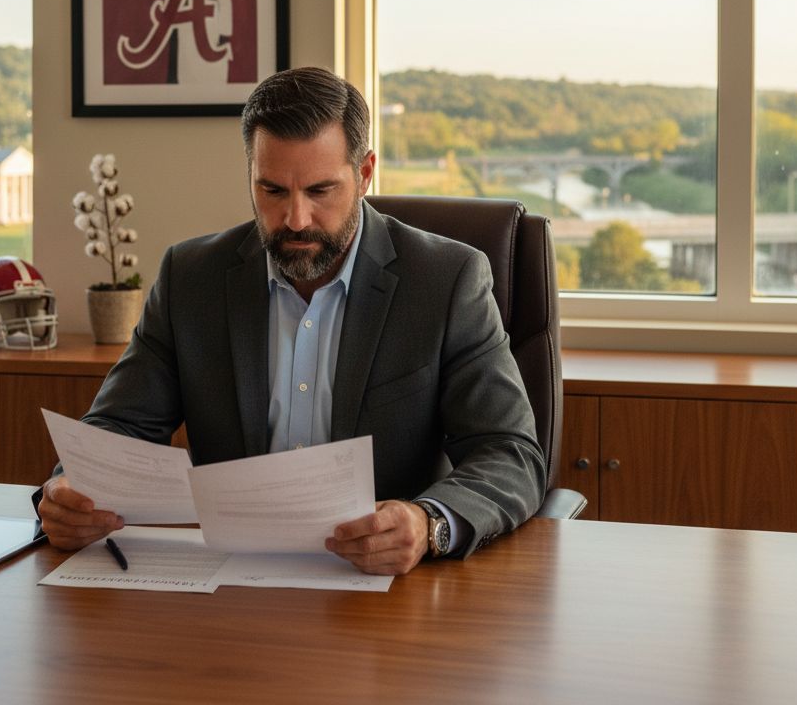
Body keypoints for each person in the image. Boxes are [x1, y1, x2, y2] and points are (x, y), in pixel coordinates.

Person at [38, 67, 546, 574]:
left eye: (321, 191)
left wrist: (428, 522)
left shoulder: (446, 280)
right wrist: (70, 491)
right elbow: (119, 425)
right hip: (230, 578)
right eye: (274, 191)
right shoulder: (191, 279)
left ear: (365, 173)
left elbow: (510, 453)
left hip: (384, 588)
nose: (296, 220)